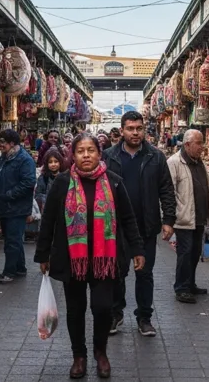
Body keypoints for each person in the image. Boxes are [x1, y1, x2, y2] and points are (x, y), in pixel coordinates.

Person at [36, 134, 144, 379]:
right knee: (75, 309)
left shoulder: (114, 182)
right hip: (71, 258)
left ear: (99, 153)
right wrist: (43, 254)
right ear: (72, 155)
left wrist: (137, 249)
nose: (86, 155)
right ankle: (79, 356)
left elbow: (128, 219)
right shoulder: (62, 184)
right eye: (81, 151)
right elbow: (49, 221)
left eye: (91, 150)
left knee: (103, 308)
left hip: (104, 259)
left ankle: (101, 352)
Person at [102, 111, 175, 337]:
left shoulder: (155, 156)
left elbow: (166, 189)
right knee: (117, 272)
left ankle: (144, 317)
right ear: (122, 130)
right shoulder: (108, 156)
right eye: (130, 128)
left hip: (146, 225)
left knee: (145, 273)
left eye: (139, 128)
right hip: (117, 227)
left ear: (144, 129)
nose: (135, 132)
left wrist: (169, 220)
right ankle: (116, 313)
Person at [165, 129, 209, 304]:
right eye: (199, 143)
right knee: (185, 253)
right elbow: (168, 191)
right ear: (187, 145)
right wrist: (169, 219)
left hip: (199, 216)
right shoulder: (174, 162)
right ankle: (181, 288)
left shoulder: (199, 162)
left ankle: (190, 283)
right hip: (184, 218)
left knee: (195, 253)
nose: (202, 147)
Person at [0, 129, 37, 283]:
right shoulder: (3, 158)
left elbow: (28, 183)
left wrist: (9, 195)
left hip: (17, 208)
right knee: (13, 239)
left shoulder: (24, 160)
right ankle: (20, 268)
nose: (0, 145)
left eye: (2, 142)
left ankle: (9, 272)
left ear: (12, 143)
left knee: (12, 241)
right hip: (4, 206)